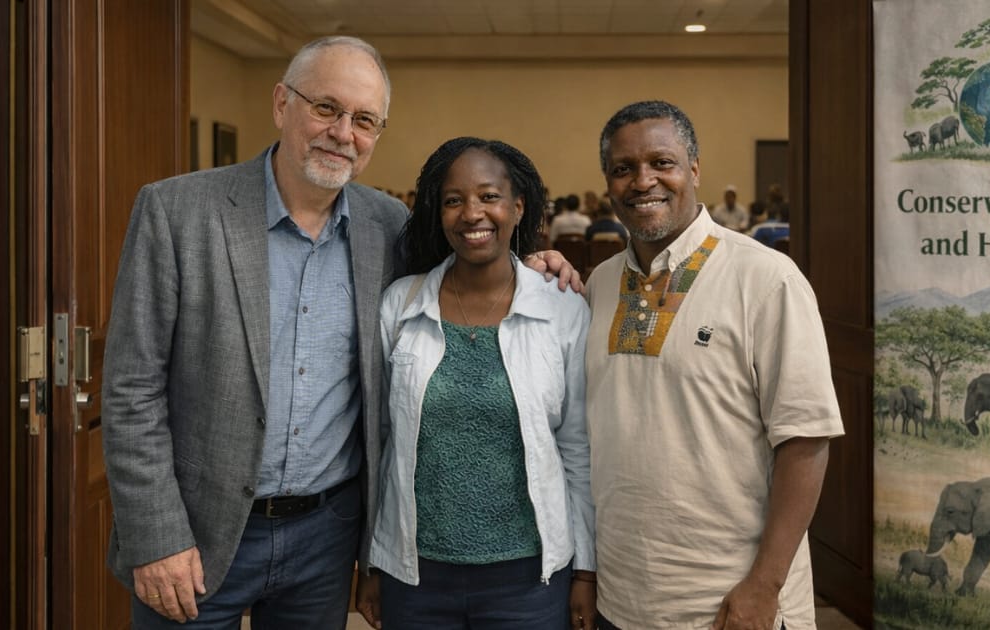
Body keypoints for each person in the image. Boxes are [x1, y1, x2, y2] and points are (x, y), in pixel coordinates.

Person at [101, 36, 577, 628]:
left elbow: (469, 268)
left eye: (364, 120)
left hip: (324, 538)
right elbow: (131, 389)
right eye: (326, 108)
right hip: (195, 536)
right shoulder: (178, 211)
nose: (343, 133)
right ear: (282, 104)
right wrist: (156, 536)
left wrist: (536, 266)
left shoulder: (388, 226)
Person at [585, 100, 845, 630]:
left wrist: (764, 585)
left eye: (662, 162)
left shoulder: (767, 279)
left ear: (695, 170)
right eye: (623, 168)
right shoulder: (599, 284)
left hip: (729, 602)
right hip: (623, 597)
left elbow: (806, 441)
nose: (643, 181)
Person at [356, 137, 595, 630]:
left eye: (489, 196)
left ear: (518, 207)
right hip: (416, 574)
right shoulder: (400, 304)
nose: (472, 213)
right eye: (453, 200)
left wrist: (585, 571)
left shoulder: (561, 308)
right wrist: (373, 560)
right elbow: (380, 443)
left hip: (529, 578)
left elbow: (577, 448)